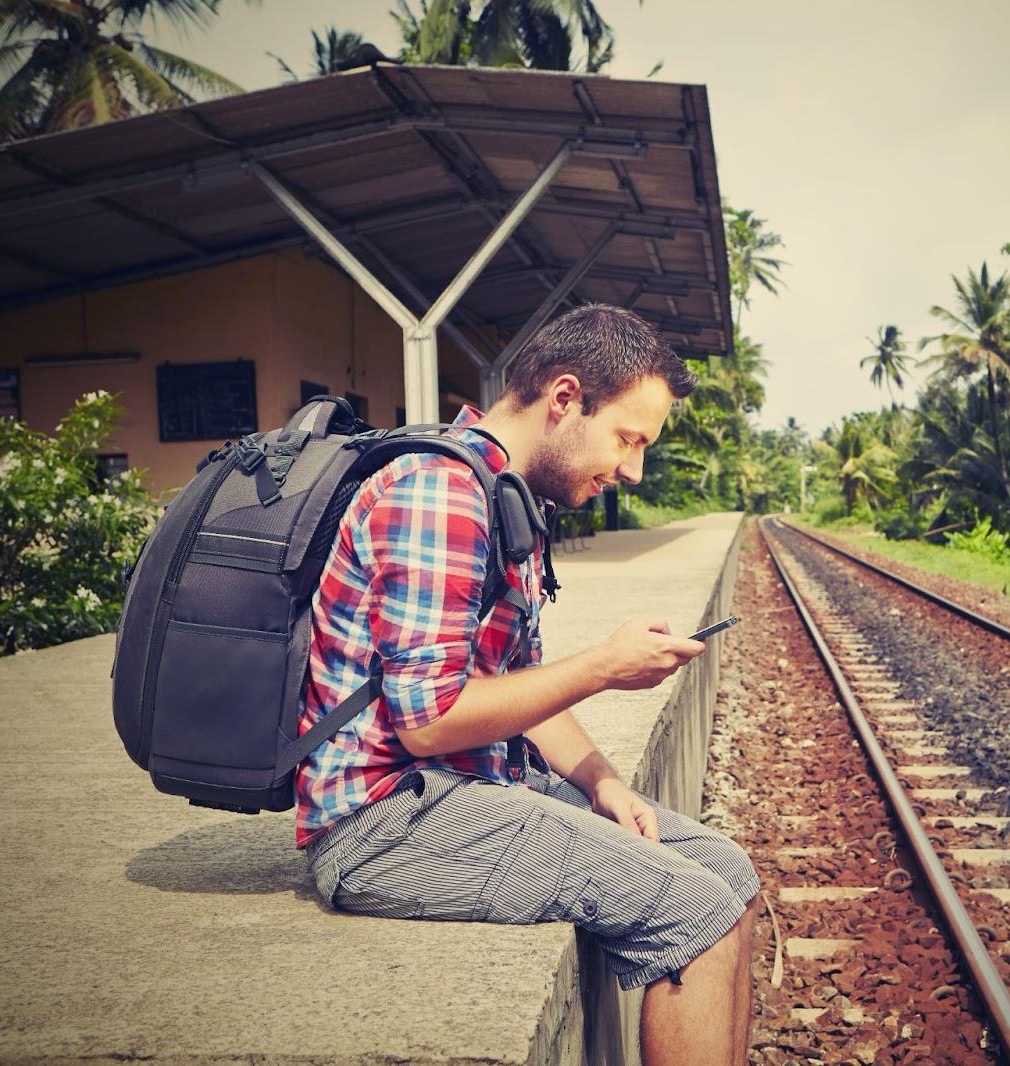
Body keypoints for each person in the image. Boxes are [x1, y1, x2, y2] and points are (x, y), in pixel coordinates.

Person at [296, 305, 760, 1066]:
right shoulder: (441, 494)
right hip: (381, 823)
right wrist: (604, 668)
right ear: (565, 398)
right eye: (628, 439)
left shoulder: (500, 493)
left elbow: (512, 685)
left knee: (728, 875)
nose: (633, 471)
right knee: (692, 910)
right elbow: (428, 723)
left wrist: (606, 784)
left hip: (462, 789)